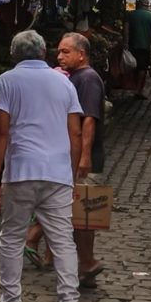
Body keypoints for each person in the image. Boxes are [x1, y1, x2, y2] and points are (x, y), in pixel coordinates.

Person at [0, 30, 83, 302]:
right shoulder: (64, 82)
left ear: (14, 54)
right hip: (57, 172)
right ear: (43, 53)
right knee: (63, 241)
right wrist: (71, 174)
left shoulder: (6, 81)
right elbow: (75, 133)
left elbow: (1, 133)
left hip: (21, 170)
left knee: (12, 239)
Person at [57, 33, 107, 287]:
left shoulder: (87, 79)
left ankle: (88, 261)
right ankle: (84, 265)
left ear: (81, 54)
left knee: (85, 213)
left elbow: (89, 120)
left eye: (66, 52)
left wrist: (84, 156)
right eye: (59, 51)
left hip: (85, 158)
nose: (60, 56)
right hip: (73, 156)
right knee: (79, 213)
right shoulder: (74, 77)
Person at [124, 0, 151, 99]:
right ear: (147, 5)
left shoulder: (130, 15)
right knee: (142, 68)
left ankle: (134, 87)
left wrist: (125, 43)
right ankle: (138, 90)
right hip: (145, 46)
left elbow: (126, 30)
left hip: (132, 46)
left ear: (138, 4)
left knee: (132, 66)